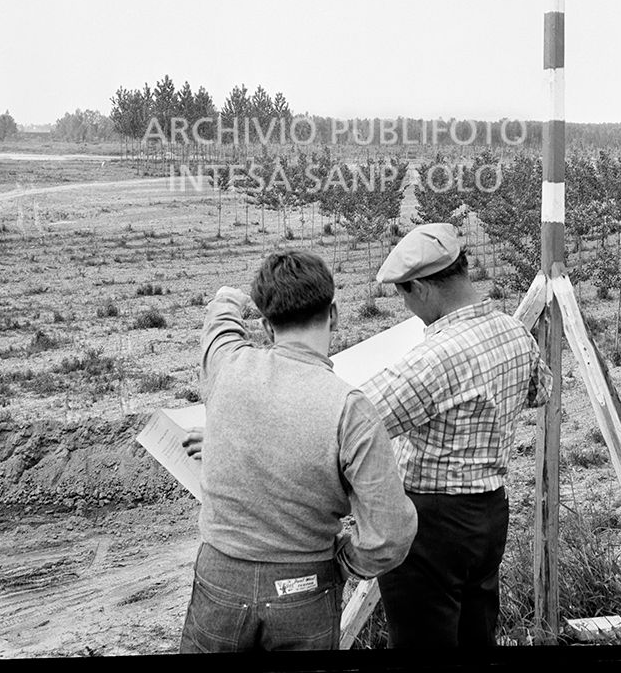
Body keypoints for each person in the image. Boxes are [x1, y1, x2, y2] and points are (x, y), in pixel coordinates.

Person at [178, 250, 417, 653]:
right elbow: (391, 533)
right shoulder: (351, 407)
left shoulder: (226, 367)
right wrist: (345, 564)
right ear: (335, 315)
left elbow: (218, 328)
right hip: (305, 585)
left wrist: (228, 296)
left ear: (267, 328)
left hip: (219, 576)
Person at [358, 222, 552, 649]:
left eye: (403, 295)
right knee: (474, 635)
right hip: (488, 514)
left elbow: (352, 422)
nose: (407, 306)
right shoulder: (513, 332)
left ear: (422, 289)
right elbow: (542, 390)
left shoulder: (435, 358)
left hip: (432, 525)